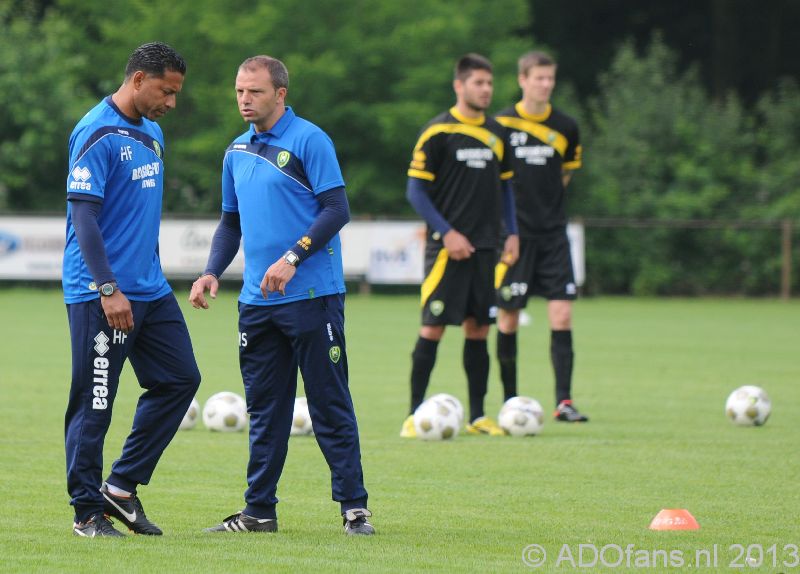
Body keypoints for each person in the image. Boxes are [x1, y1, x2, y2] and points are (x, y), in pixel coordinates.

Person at [189, 55, 373, 536]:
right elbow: (231, 223)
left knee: (329, 404)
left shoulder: (311, 140)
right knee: (265, 412)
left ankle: (354, 509)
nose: (244, 100)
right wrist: (212, 271)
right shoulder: (235, 151)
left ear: (280, 94)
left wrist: (292, 257)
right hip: (256, 304)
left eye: (255, 91)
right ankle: (258, 512)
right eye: (239, 92)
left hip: (312, 297)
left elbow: (337, 209)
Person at [63, 42, 201, 537]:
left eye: (177, 92)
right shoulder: (96, 130)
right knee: (95, 401)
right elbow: (85, 215)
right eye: (167, 90)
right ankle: (86, 512)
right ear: (139, 80)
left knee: (180, 380)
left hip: (150, 289)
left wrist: (149, 275)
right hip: (101, 293)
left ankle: (120, 487)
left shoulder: (154, 133)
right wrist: (107, 288)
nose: (171, 102)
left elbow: (138, 215)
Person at [400, 53, 520, 438]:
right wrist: (446, 232)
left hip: (486, 249)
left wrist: (512, 232)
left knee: (478, 329)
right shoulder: (437, 132)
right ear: (459, 85)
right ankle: (413, 415)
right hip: (445, 250)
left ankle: (479, 416)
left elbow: (506, 190)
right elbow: (415, 191)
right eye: (478, 83)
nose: (486, 90)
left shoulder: (499, 134)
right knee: (433, 328)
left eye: (489, 83)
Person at [494, 51, 588, 422]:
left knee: (562, 315)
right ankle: (510, 401)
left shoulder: (567, 126)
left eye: (550, 78)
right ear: (523, 79)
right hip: (514, 239)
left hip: (553, 237)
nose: (545, 84)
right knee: (508, 320)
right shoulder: (500, 124)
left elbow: (564, 175)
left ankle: (564, 401)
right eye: (539, 78)